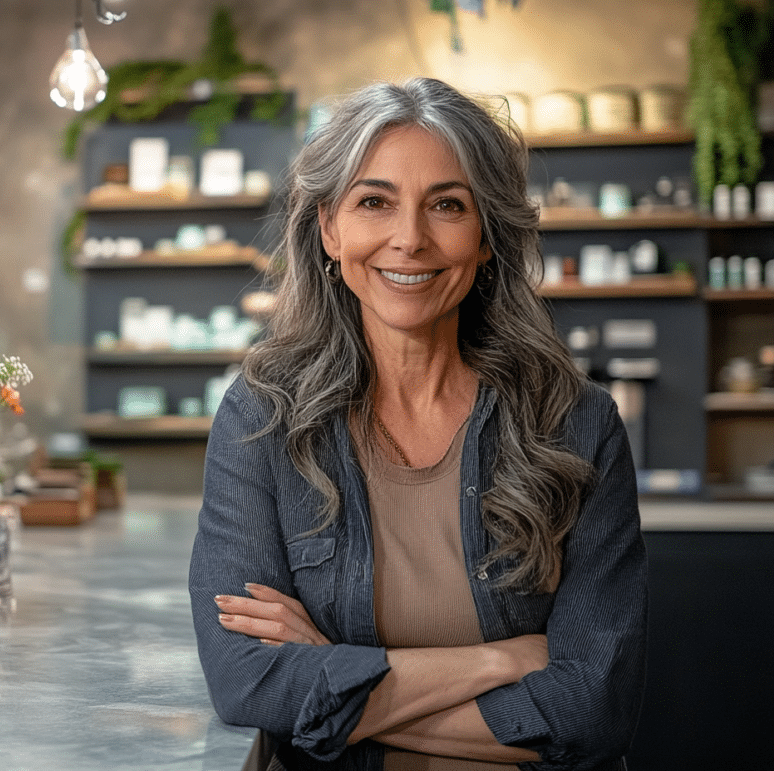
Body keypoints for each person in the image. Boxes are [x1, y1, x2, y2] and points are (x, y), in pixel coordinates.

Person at [188, 78, 647, 771]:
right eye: (375, 201)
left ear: (487, 235)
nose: (410, 238)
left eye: (448, 205)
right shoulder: (263, 418)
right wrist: (501, 659)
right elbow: (247, 680)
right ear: (329, 230)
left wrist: (337, 687)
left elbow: (593, 709)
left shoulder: (576, 425)